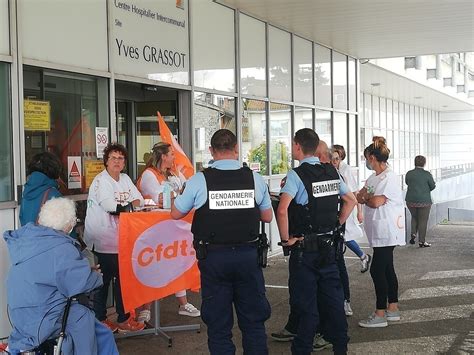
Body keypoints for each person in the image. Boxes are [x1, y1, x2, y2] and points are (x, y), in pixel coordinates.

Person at [171, 129, 273, 354]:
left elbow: (175, 213)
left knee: (218, 325)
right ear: (236, 150)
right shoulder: (254, 178)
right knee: (254, 322)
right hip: (248, 257)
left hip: (214, 259)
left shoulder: (199, 180)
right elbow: (267, 216)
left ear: (211, 151)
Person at [276, 129, 357, 355]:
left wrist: (285, 241)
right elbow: (350, 200)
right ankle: (341, 349)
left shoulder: (296, 175)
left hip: (305, 251)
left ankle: (302, 349)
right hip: (330, 248)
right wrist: (338, 224)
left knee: (306, 307)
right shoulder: (332, 171)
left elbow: (282, 210)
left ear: (298, 147)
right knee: (334, 303)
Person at [4, 198, 118, 355]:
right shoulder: (61, 247)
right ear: (69, 224)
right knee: (90, 324)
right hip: (45, 317)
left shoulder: (28, 240)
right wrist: (95, 275)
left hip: (20, 315)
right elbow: (82, 283)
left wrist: (83, 271)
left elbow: (51, 274)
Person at [84, 143, 145, 333]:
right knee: (105, 280)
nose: (117, 161)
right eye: (113, 158)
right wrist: (128, 205)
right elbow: (111, 207)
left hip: (121, 239)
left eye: (121, 158)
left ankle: (120, 318)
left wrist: (128, 206)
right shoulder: (101, 181)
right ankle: (103, 320)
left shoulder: (125, 178)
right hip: (103, 239)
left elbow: (140, 200)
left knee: (121, 278)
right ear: (106, 161)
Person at [136, 142, 200, 320]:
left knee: (176, 263)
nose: (174, 157)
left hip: (174, 225)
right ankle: (146, 308)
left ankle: (183, 303)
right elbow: (164, 199)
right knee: (153, 265)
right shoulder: (149, 174)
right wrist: (180, 195)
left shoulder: (173, 172)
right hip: (154, 228)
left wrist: (180, 194)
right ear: (163, 156)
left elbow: (186, 190)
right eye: (171, 154)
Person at [357, 137, 405, 328]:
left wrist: (367, 198)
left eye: (366, 158)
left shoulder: (390, 177)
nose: (366, 162)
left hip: (388, 230)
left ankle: (380, 313)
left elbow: (375, 201)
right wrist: (367, 197)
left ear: (372, 157)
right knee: (387, 268)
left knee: (377, 269)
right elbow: (361, 195)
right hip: (379, 231)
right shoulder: (373, 177)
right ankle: (392, 308)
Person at [331, 145, 371, 273]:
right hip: (337, 207)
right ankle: (361, 256)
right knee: (342, 235)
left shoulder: (345, 170)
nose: (335, 161)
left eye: (337, 158)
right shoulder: (333, 169)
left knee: (345, 235)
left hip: (345, 207)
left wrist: (359, 211)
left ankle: (362, 256)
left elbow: (354, 192)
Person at [19, 152, 63, 226]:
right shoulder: (54, 195)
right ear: (53, 170)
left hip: (29, 236)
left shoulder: (27, 192)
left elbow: (22, 219)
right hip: (47, 237)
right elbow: (64, 228)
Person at [405, 155, 436, 247]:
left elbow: (407, 182)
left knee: (414, 217)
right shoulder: (427, 174)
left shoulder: (409, 173)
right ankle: (422, 241)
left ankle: (413, 234)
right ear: (424, 163)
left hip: (410, 200)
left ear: (414, 162)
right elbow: (433, 186)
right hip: (424, 201)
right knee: (423, 220)